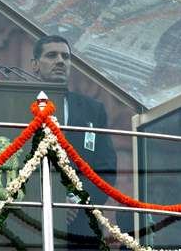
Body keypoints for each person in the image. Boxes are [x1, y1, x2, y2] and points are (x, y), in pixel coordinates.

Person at [31, 35, 117, 249]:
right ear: (35, 65)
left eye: (65, 57)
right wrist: (51, 201)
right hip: (31, 222)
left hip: (82, 227)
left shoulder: (92, 110)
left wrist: (76, 201)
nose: (60, 61)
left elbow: (106, 168)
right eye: (51, 55)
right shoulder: (19, 106)